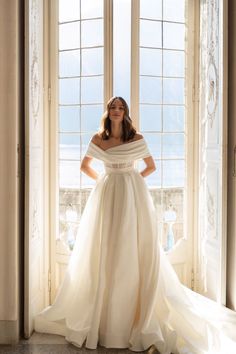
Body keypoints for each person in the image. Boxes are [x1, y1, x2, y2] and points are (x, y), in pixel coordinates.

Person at [35, 96, 236, 354]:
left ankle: (133, 316)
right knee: (105, 247)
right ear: (107, 112)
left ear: (126, 113)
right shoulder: (99, 139)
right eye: (113, 107)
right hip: (107, 193)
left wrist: (132, 179)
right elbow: (84, 166)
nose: (117, 111)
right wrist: (105, 179)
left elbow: (151, 167)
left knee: (131, 247)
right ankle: (104, 318)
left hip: (131, 194)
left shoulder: (136, 138)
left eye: (121, 108)